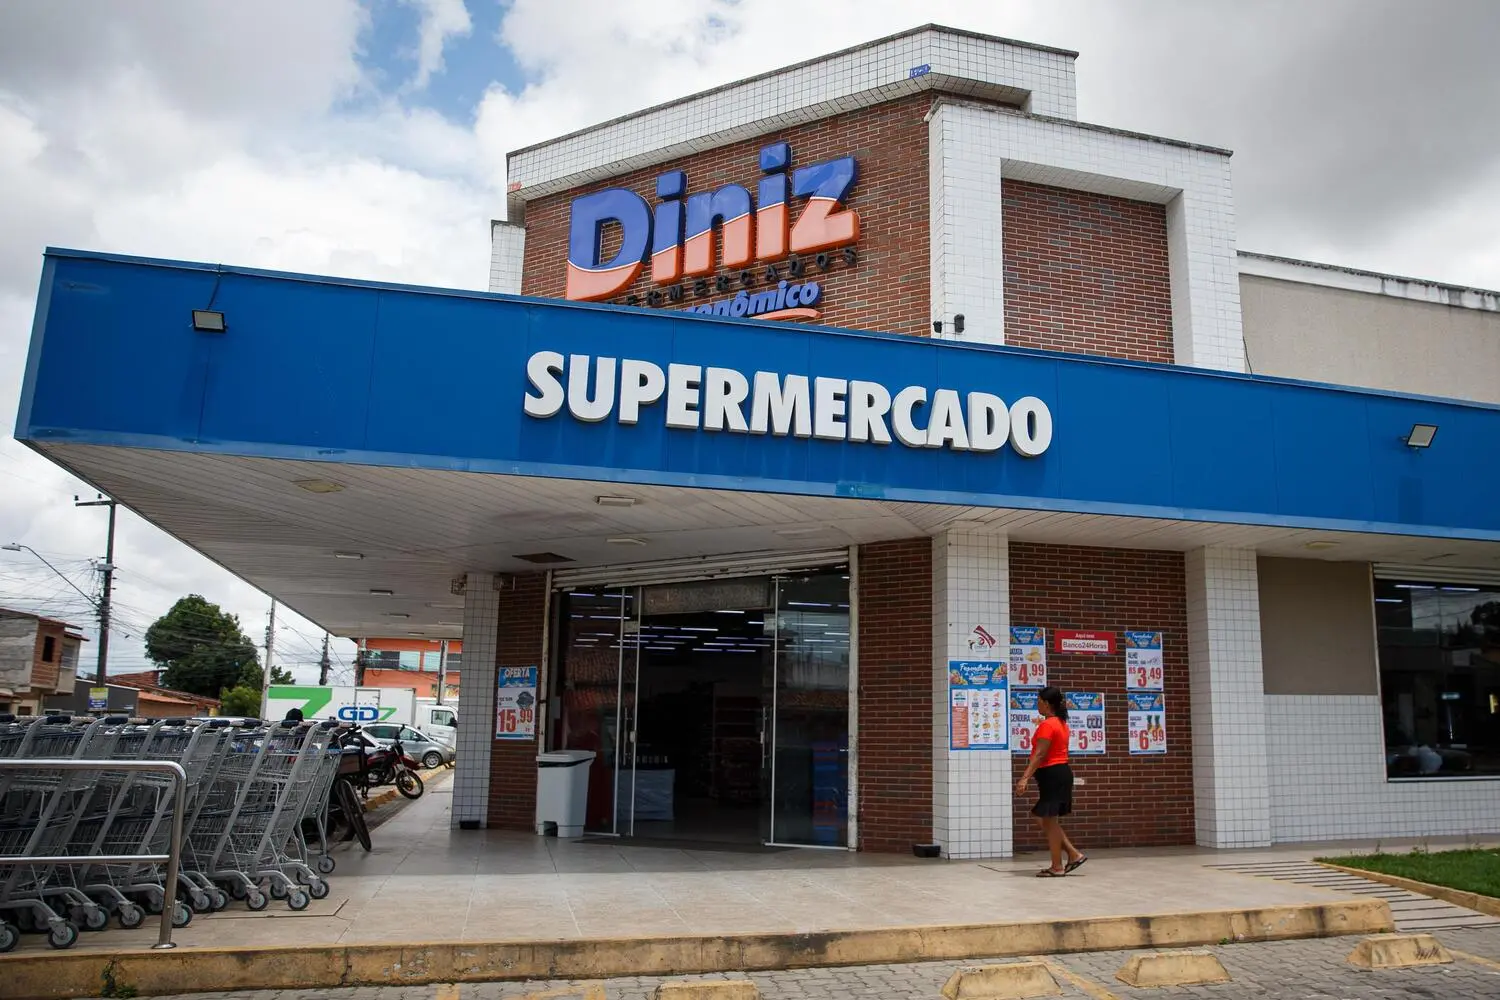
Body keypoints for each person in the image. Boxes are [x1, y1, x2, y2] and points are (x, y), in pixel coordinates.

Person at [1014, 686, 1086, 877]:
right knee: (1044, 817)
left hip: (1053, 774)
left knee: (1047, 819)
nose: (1036, 704)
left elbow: (1039, 754)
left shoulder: (1048, 725)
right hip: (1057, 774)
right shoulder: (1061, 723)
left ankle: (1058, 866)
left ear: (1046, 704)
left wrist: (1024, 778)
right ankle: (1073, 854)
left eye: (1038, 701)